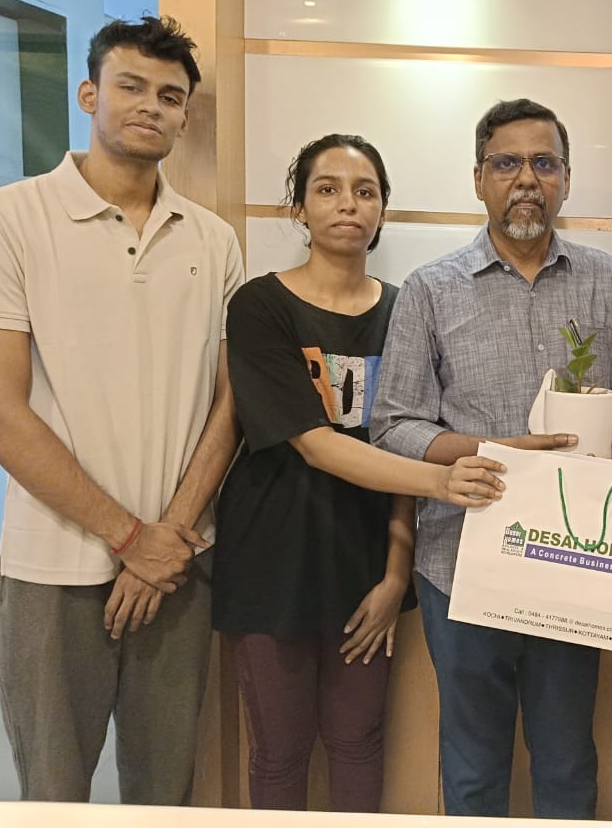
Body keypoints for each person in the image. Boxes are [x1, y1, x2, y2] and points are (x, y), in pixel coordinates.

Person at [0, 16, 242, 804]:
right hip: (54, 566)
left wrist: (167, 538)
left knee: (164, 789)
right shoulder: (3, 220)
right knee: (54, 792)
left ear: (184, 116)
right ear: (89, 94)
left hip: (179, 566)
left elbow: (229, 404)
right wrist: (130, 538)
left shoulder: (214, 241)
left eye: (169, 96)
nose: (151, 106)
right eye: (131, 86)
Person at [370, 98, 612, 817]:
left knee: (567, 761)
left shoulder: (603, 279)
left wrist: (610, 443)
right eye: (506, 163)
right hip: (462, 560)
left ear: (566, 179)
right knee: (472, 768)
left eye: (544, 163)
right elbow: (393, 423)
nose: (526, 179)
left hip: (573, 557)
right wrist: (493, 452)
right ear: (479, 179)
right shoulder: (431, 289)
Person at [211, 133, 505, 811]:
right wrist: (441, 482)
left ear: (382, 210)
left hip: (367, 558)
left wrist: (396, 575)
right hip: (270, 558)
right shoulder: (259, 306)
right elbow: (315, 444)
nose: (348, 204)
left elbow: (405, 444)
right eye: (328, 189)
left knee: (358, 740)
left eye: (364, 191)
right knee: (279, 751)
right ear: (300, 208)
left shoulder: (407, 307)